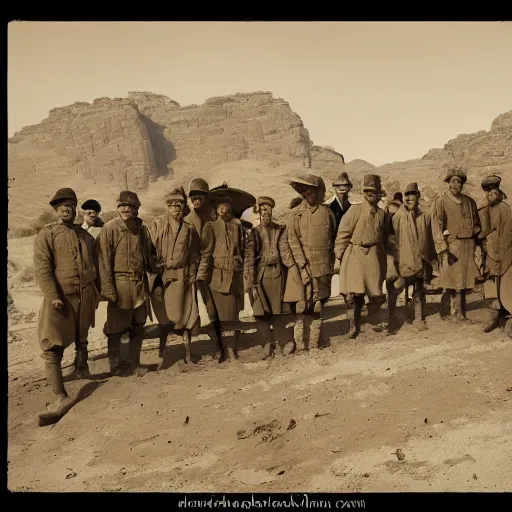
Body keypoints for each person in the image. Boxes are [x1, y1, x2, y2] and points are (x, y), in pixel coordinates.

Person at [33, 188, 99, 423]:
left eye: (71, 204)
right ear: (55, 210)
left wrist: (97, 293)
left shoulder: (86, 236)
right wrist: (52, 295)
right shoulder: (47, 235)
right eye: (62, 205)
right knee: (51, 345)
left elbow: (96, 265)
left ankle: (82, 369)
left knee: (82, 337)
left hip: (85, 296)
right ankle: (60, 396)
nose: (67, 208)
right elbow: (42, 269)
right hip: (59, 298)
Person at [98, 190, 158, 376]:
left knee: (138, 325)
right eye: (123, 205)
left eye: (130, 206)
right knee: (116, 328)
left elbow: (150, 257)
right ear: (118, 208)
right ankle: (115, 366)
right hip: (119, 283)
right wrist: (108, 289)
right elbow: (104, 260)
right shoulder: (110, 228)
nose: (126, 209)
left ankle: (134, 363)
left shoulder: (142, 229)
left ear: (137, 209)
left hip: (139, 284)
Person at [334, 174, 394, 338]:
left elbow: (386, 237)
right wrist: (339, 257)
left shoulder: (382, 214)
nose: (370, 194)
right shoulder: (355, 210)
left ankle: (371, 324)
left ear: (379, 193)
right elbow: (342, 234)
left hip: (374, 255)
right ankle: (353, 326)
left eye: (373, 191)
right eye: (367, 191)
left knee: (374, 293)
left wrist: (389, 256)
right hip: (355, 254)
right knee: (353, 294)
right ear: (363, 192)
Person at [200, 186, 255, 362]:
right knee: (218, 316)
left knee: (233, 314)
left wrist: (246, 273)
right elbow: (206, 252)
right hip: (217, 277)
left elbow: (245, 250)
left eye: (226, 207)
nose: (223, 210)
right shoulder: (210, 226)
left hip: (235, 275)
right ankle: (221, 349)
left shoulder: (237, 225)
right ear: (216, 209)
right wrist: (201, 275)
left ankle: (232, 349)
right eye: (220, 207)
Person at [147, 186, 201, 365]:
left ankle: (188, 353)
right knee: (165, 318)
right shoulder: (157, 225)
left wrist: (192, 275)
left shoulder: (189, 228)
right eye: (173, 205)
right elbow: (150, 251)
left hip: (183, 277)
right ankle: (163, 353)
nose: (176, 209)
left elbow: (193, 254)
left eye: (179, 205)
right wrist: (155, 269)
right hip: (162, 277)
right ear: (168, 207)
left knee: (186, 315)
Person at [286, 173, 337, 352]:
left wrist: (329, 266)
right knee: (301, 307)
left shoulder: (326, 212)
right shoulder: (295, 215)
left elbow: (332, 239)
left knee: (318, 305)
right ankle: (300, 344)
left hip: (322, 267)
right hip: (303, 268)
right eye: (306, 190)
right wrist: (302, 266)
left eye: (313, 190)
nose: (310, 194)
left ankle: (315, 342)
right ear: (302, 192)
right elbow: (292, 241)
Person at [431, 165, 482, 321]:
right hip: (452, 246)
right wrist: (443, 246)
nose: (456, 185)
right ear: (448, 183)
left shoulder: (470, 202)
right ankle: (449, 311)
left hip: (467, 246)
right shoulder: (442, 201)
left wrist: (474, 235)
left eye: (459, 182)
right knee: (452, 280)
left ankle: (459, 311)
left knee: (464, 280)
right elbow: (437, 225)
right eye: (453, 182)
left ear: (462, 184)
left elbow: (477, 224)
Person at [246, 196, 293, 358]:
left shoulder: (281, 229)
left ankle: (283, 342)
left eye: (268, 209)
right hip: (260, 276)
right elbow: (250, 259)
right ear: (258, 212)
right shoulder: (253, 233)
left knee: (278, 312)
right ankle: (267, 344)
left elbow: (286, 252)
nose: (265, 212)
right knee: (260, 314)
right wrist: (250, 282)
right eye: (262, 209)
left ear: (272, 211)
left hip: (277, 274)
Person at [389, 183, 436, 332]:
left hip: (420, 260)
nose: (409, 199)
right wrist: (396, 256)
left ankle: (418, 317)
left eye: (412, 196)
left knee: (418, 288)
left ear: (418, 197)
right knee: (397, 287)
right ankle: (392, 315)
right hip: (403, 259)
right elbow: (392, 238)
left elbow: (429, 238)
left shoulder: (424, 217)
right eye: (407, 196)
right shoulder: (398, 217)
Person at [477, 174, 512, 332]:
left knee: (506, 286)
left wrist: (502, 253)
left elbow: (507, 234)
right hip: (490, 253)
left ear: (499, 193)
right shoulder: (487, 209)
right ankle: (494, 317)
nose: (491, 195)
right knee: (491, 286)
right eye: (489, 193)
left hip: (504, 253)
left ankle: (508, 316)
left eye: (494, 193)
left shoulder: (505, 208)